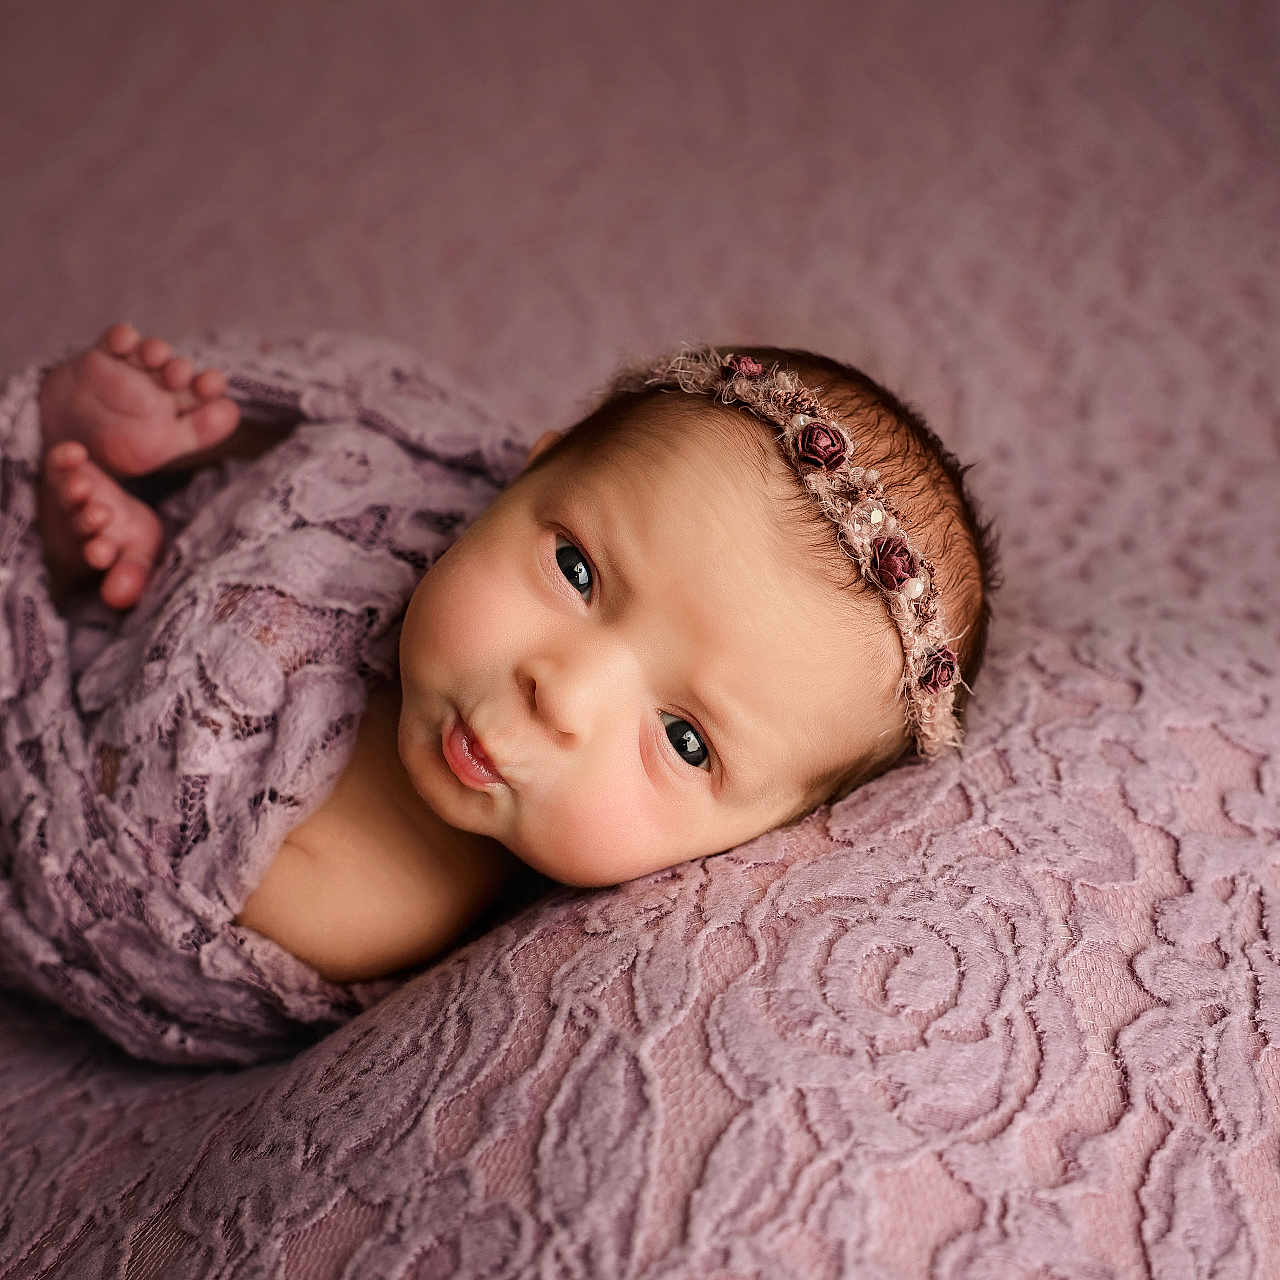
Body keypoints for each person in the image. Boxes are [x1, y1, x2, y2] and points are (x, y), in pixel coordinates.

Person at [34, 323, 1000, 984]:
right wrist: (197, 473)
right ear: (527, 469)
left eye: (685, 741)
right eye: (577, 570)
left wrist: (141, 607)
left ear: (757, 836)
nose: (561, 695)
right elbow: (313, 461)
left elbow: (95, 832)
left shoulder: (373, 896)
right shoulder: (410, 483)